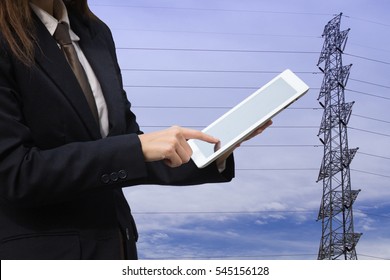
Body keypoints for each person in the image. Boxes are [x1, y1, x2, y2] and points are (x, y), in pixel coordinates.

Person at [0, 0, 271, 260]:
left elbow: (127, 150)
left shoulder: (95, 33)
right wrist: (136, 148)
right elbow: (14, 174)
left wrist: (214, 150)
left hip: (116, 250)